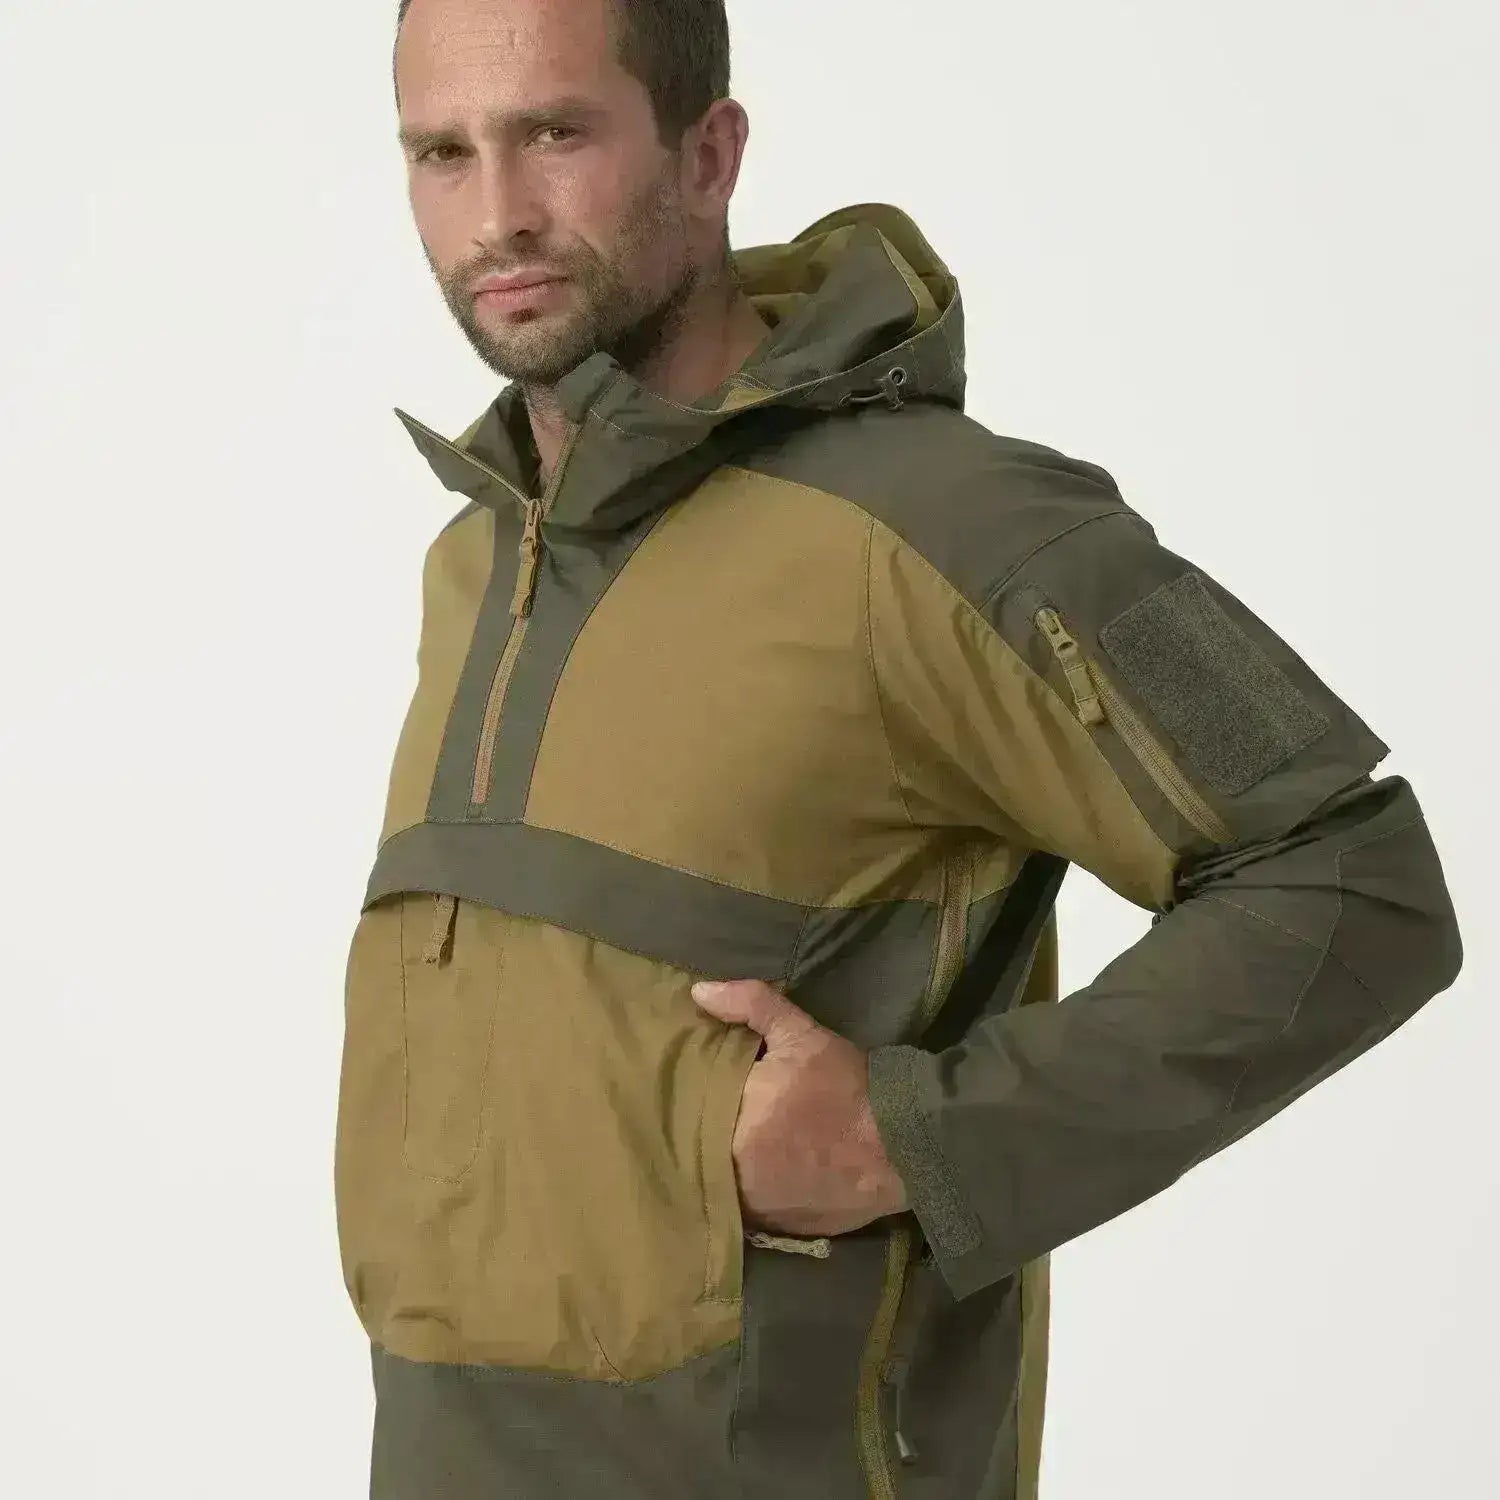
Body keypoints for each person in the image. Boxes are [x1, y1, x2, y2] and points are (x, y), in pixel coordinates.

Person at [334, 0, 1465, 1495]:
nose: (498, 216)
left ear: (709, 152)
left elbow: (1354, 881)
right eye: (441, 153)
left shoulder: (954, 521)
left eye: (555, 132)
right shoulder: (481, 559)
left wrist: (921, 1140)